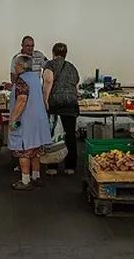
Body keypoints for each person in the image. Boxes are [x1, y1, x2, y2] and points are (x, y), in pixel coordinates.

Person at [8, 54, 51, 190]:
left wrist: (13, 119)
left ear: (21, 65)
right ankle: (36, 176)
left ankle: (25, 180)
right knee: (35, 150)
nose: (14, 67)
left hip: (25, 121)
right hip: (37, 120)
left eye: (16, 65)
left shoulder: (22, 80)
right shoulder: (34, 78)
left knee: (23, 150)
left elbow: (22, 100)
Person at [42, 42, 80, 175]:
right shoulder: (72, 67)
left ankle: (53, 166)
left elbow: (48, 81)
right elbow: (76, 85)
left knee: (54, 135)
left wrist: (45, 99)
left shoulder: (50, 65)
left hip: (55, 104)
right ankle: (70, 167)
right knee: (70, 135)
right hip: (71, 104)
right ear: (65, 54)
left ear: (53, 53)